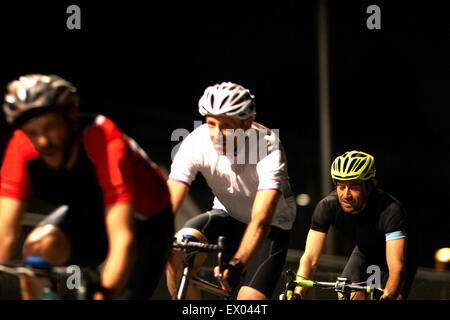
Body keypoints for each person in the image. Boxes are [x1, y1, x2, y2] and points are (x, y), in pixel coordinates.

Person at [0, 74, 174, 299]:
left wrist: (104, 293)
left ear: (71, 116)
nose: (43, 141)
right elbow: (5, 234)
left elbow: (124, 239)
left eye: (50, 126)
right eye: (33, 132)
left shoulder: (105, 140)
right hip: (88, 214)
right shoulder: (21, 146)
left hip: (144, 224)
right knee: (37, 249)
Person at [165, 82, 296, 300]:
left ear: (247, 124)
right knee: (176, 252)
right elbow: (169, 201)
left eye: (227, 126)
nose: (217, 134)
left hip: (271, 227)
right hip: (226, 215)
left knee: (247, 303)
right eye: (211, 123)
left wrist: (238, 264)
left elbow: (261, 219)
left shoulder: (268, 146)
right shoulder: (195, 142)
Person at [292, 150, 418, 300]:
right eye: (341, 186)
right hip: (364, 252)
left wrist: (387, 297)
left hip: (398, 257)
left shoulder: (391, 211)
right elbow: (310, 258)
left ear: (369, 187)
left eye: (354, 187)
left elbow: (397, 268)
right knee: (346, 293)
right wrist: (297, 295)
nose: (346, 195)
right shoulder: (327, 206)